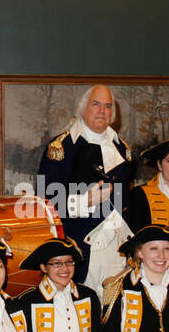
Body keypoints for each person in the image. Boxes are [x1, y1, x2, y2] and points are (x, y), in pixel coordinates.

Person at [38, 84, 133, 292]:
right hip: (82, 246)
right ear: (83, 109)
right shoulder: (61, 147)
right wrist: (83, 201)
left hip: (117, 246)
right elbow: (44, 203)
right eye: (96, 104)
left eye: (108, 106)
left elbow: (125, 203)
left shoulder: (121, 148)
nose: (102, 111)